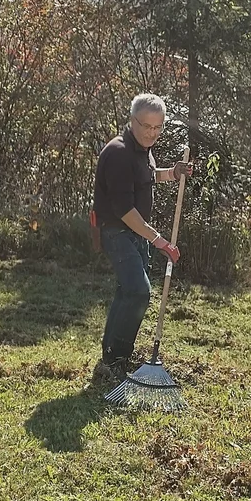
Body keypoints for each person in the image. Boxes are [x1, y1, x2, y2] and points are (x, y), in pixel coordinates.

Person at [91, 93, 192, 375]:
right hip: (117, 232)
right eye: (147, 126)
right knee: (138, 291)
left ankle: (111, 359)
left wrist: (172, 173)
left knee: (127, 291)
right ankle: (116, 359)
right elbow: (124, 210)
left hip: (135, 233)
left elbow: (147, 176)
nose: (152, 133)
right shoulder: (119, 153)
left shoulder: (141, 150)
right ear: (132, 120)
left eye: (158, 127)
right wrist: (159, 240)